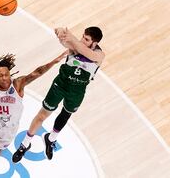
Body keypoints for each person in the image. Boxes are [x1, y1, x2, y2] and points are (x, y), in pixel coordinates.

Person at [12, 26, 105, 163]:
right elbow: (65, 42)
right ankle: (25, 144)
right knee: (42, 115)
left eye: (86, 39)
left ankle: (51, 139)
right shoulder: (74, 46)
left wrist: (71, 37)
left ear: (95, 43)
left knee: (65, 114)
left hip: (77, 91)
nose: (82, 40)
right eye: (82, 36)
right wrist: (60, 33)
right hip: (60, 85)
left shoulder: (99, 55)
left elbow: (87, 53)